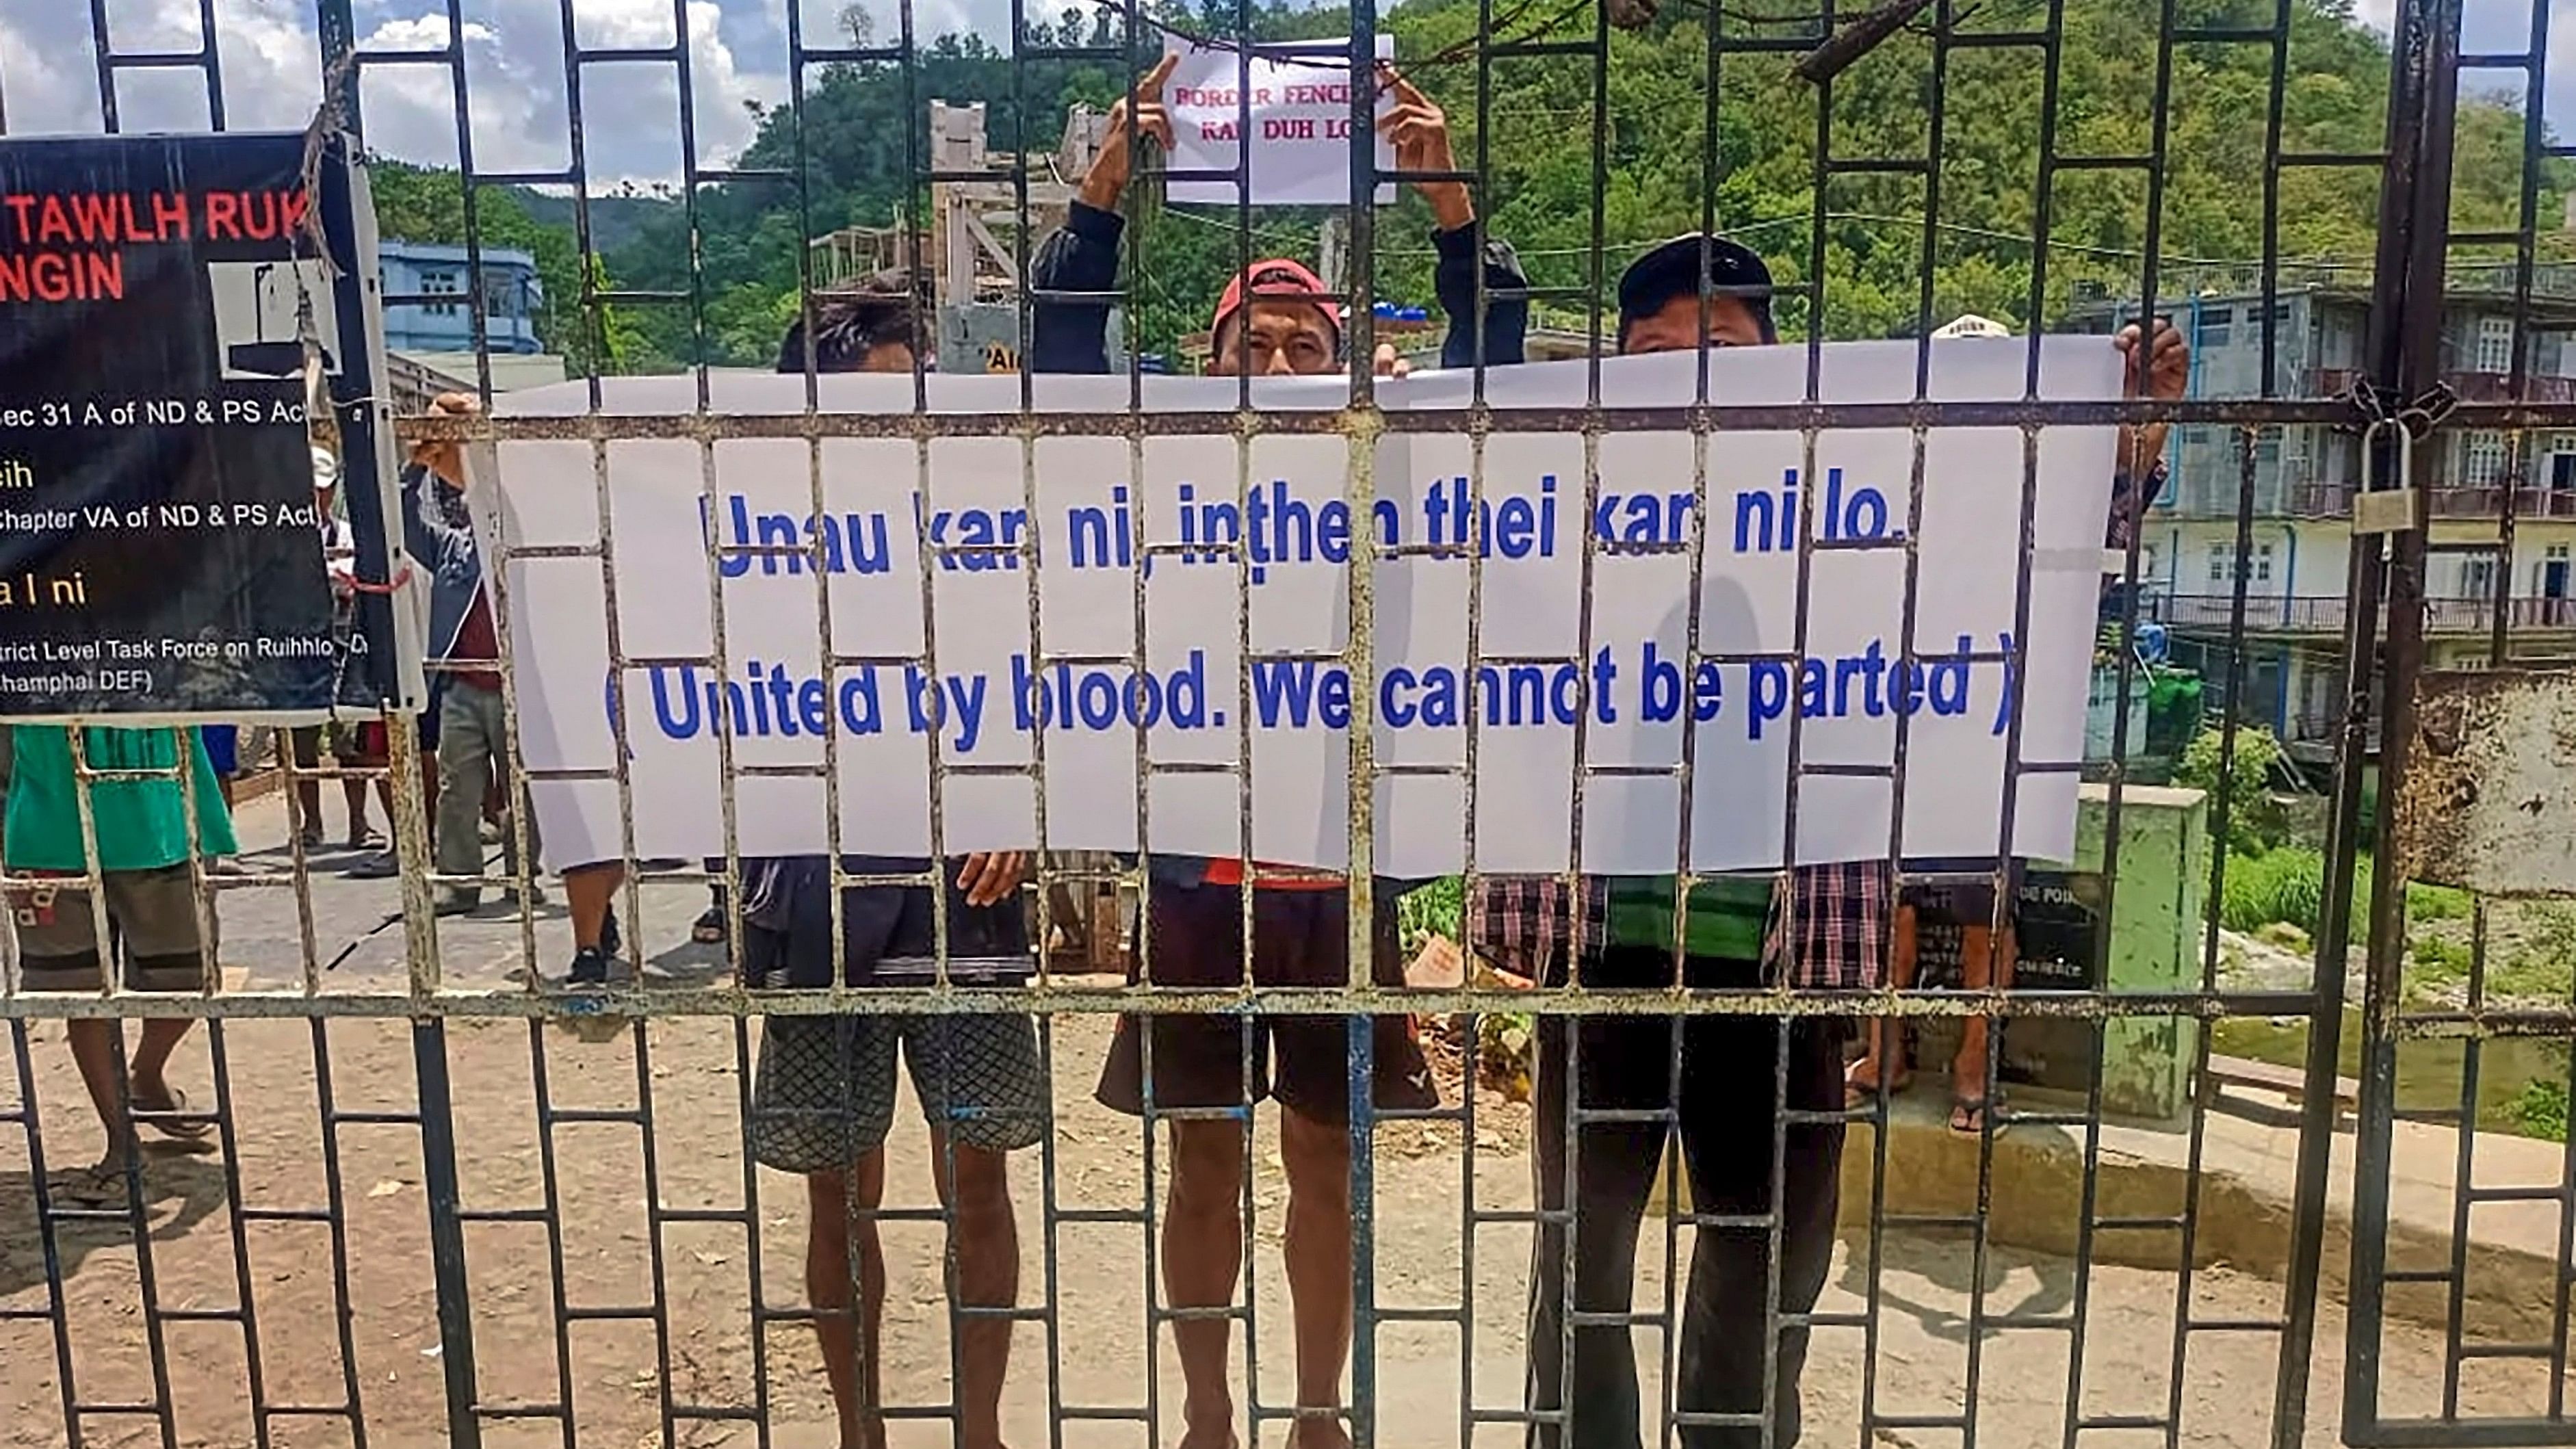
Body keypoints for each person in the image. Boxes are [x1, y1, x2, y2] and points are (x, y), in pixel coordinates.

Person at [1472, 239, 2185, 1449]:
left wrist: (2115, 457)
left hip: (1788, 961)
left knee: (1764, 1266)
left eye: (1723, 351)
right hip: (1604, 954)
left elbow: (2013, 579)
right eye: (1656, 355)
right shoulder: (1563, 500)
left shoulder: (1853, 504)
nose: (1688, 378)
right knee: (1582, 1263)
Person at [1028, 56, 1524, 1449]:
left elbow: (1505, 401)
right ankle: (1205, 1414)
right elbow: (1064, 385)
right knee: (1200, 1168)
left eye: (1308, 346)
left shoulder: (1397, 473)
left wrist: (1449, 211)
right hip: (1198, 879)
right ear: (1207, 369)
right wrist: (1099, 213)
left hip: (1341, 881)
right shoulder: (1158, 478)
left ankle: (1319, 1413)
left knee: (1328, 1165)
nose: (1285, 364)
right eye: (1257, 344)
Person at [737, 280, 1045, 1449]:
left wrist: (1018, 792)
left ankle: (980, 1432)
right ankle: (861, 1430)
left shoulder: (978, 526)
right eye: (870, 400)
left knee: (981, 1178)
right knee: (838, 1183)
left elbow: (1050, 664)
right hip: (813, 904)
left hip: (963, 900)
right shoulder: (746, 534)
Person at [1843, 312, 2184, 1136]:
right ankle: (1883, 1047)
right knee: (1887, 898)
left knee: (1985, 908)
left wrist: (2143, 416)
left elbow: (2112, 526)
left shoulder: (2043, 482)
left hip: (1999, 716)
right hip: (1894, 712)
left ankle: (1971, 1063)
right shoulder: (1896, 471)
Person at [4, 722, 235, 1206]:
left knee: (190, 981)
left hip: (164, 812)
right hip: (51, 825)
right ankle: (121, 1139)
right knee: (83, 994)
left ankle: (146, 1075)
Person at [402, 391, 543, 915]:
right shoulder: (453, 547)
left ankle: (520, 878)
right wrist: (414, 466)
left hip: (516, 683)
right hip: (462, 684)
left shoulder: (518, 535)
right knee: (457, 791)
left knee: (521, 791)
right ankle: (459, 885)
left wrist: (478, 435)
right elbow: (403, 522)